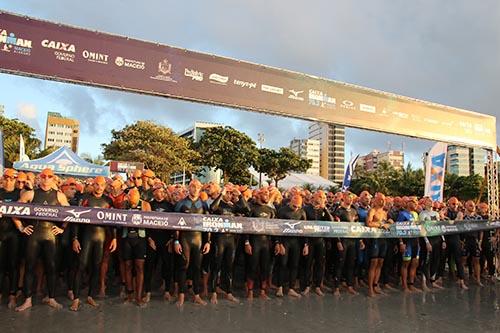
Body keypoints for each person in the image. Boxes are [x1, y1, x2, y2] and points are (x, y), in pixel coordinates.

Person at [13, 168, 70, 311]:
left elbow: (71, 213)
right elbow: (13, 210)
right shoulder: (31, 193)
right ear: (39, 178)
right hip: (34, 235)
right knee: (30, 267)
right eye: (43, 176)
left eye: (49, 176)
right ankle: (27, 300)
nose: (46, 179)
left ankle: (51, 298)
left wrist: (62, 228)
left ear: (53, 178)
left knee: (51, 267)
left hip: (50, 235)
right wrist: (21, 227)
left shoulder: (60, 195)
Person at [70, 176, 117, 311]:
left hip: (101, 237)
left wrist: (114, 238)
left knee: (96, 267)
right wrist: (75, 238)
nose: (99, 187)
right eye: (96, 184)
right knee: (81, 265)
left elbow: (112, 221)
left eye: (102, 185)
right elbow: (75, 219)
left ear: (105, 186)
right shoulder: (85, 198)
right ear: (93, 185)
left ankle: (91, 296)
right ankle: (76, 299)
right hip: (86, 236)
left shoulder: (108, 201)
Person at [174, 179, 211, 306]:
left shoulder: (204, 205)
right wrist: (176, 242)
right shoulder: (181, 204)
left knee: (197, 267)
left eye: (197, 187)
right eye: (192, 187)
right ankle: (181, 296)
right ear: (188, 188)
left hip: (198, 239)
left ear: (200, 189)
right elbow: (174, 224)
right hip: (185, 239)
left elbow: (208, 225)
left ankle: (196, 295)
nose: (195, 189)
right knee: (183, 266)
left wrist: (208, 242)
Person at [208, 185, 239, 304]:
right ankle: (214, 293)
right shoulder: (218, 205)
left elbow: (246, 210)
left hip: (231, 239)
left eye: (231, 193)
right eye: (228, 193)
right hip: (219, 239)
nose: (229, 195)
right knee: (216, 266)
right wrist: (221, 194)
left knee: (229, 267)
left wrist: (239, 196)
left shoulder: (233, 206)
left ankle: (229, 292)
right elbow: (212, 208)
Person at [144, 185, 175, 303]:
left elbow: (175, 222)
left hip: (166, 240)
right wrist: (149, 238)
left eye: (162, 191)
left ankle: (167, 291)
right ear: (154, 192)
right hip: (153, 239)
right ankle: (147, 292)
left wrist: (172, 238)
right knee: (149, 266)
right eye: (158, 191)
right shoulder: (149, 205)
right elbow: (144, 222)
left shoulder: (169, 206)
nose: (161, 193)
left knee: (167, 266)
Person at [121, 188, 151, 306]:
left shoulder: (145, 205)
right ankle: (129, 295)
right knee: (127, 266)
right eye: (130, 197)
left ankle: (138, 296)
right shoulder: (124, 204)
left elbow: (152, 221)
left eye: (134, 198)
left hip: (140, 238)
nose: (132, 201)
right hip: (127, 237)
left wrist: (149, 239)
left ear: (138, 196)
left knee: (139, 267)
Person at [245, 187, 276, 300]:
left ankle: (262, 292)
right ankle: (250, 291)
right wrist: (247, 242)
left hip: (266, 242)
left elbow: (275, 228)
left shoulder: (271, 210)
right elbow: (246, 226)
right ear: (258, 195)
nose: (267, 195)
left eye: (268, 194)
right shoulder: (251, 208)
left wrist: (277, 243)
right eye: (264, 193)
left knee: (265, 267)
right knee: (252, 266)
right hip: (254, 241)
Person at [301, 191, 333, 296]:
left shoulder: (323, 209)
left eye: (323, 197)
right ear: (313, 197)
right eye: (320, 196)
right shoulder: (306, 209)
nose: (322, 198)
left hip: (320, 240)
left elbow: (331, 221)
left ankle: (318, 286)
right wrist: (305, 244)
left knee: (320, 263)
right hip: (309, 240)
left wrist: (325, 208)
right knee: (308, 264)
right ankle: (307, 285)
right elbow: (303, 226)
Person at [275, 194, 307, 298]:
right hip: (284, 241)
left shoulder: (302, 212)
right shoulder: (282, 211)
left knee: (294, 265)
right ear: (291, 202)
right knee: (282, 264)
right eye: (294, 206)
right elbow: (277, 227)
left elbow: (305, 229)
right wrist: (279, 243)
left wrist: (305, 245)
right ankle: (279, 287)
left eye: (298, 206)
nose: (296, 208)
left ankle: (291, 288)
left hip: (296, 242)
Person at [0, 169, 21, 309]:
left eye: (11, 179)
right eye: (6, 178)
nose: (8, 181)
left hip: (15, 234)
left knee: (14, 265)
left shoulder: (20, 194)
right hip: (1, 232)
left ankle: (12, 295)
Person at [332, 191, 359, 295]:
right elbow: (335, 227)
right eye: (349, 197)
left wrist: (360, 240)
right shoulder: (338, 211)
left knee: (351, 264)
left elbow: (357, 226)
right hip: (342, 240)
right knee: (339, 263)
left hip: (352, 240)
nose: (351, 199)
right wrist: (338, 241)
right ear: (343, 198)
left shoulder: (353, 211)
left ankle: (350, 285)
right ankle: (336, 287)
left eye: (352, 198)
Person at [366, 193, 392, 297]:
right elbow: (368, 223)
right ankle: (370, 288)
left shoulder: (385, 212)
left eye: (384, 200)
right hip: (375, 239)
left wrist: (390, 222)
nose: (383, 201)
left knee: (380, 263)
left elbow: (388, 225)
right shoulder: (373, 210)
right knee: (373, 263)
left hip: (383, 239)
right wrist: (381, 224)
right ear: (375, 200)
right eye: (380, 199)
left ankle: (376, 285)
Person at [418, 197, 444, 290]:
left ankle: (433, 280)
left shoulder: (436, 213)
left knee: (436, 259)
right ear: (424, 204)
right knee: (426, 260)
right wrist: (427, 242)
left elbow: (439, 226)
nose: (431, 202)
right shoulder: (422, 214)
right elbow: (422, 228)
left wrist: (443, 239)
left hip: (437, 238)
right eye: (428, 201)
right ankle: (424, 282)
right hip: (428, 238)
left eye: (431, 201)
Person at [442, 197, 468, 290]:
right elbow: (441, 217)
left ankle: (461, 280)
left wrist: (447, 219)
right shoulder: (444, 211)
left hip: (455, 237)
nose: (455, 206)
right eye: (453, 204)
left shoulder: (460, 213)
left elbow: (456, 222)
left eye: (456, 204)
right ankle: (438, 278)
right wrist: (444, 216)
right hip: (446, 237)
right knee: (443, 258)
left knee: (458, 260)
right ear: (448, 204)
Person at [396, 197, 421, 292]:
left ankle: (411, 284)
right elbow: (398, 228)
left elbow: (418, 228)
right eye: (413, 202)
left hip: (415, 241)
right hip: (407, 241)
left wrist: (418, 242)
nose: (415, 204)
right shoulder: (402, 214)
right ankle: (404, 285)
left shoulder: (415, 214)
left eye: (416, 202)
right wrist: (401, 242)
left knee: (415, 263)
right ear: (408, 203)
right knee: (406, 263)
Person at [461, 200, 483, 286]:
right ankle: (461, 279)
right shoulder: (463, 217)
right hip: (465, 240)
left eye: (473, 205)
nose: (472, 207)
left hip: (475, 241)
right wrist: (460, 241)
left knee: (476, 260)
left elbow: (481, 230)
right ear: (466, 206)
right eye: (470, 205)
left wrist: (480, 241)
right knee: (463, 260)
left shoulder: (478, 217)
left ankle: (478, 279)